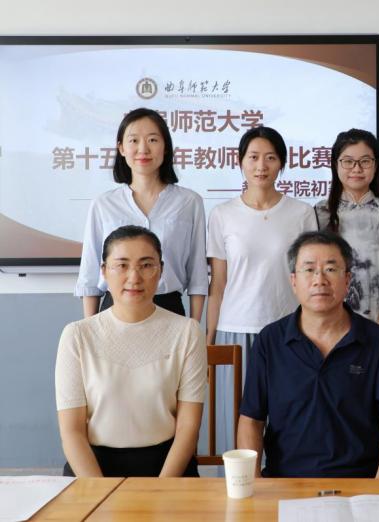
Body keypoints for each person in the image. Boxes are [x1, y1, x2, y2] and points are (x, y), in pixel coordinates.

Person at [236, 231, 379, 477]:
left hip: (360, 483)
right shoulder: (269, 341)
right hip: (285, 482)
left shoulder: (377, 342)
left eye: (330, 269)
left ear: (347, 280)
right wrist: (254, 483)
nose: (319, 280)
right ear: (293, 281)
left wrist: (378, 487)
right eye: (309, 270)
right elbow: (251, 420)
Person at [56, 226, 206, 477]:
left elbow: (188, 428)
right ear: (104, 271)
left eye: (146, 265)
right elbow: (71, 433)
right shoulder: (77, 335)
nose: (134, 277)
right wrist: (100, 492)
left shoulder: (187, 331)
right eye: (122, 265)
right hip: (92, 469)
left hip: (168, 468)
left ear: (161, 270)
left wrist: (160, 491)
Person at [206, 126, 316, 452]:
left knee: (289, 418)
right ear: (240, 161)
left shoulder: (301, 213)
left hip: (288, 331)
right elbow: (218, 284)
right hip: (235, 330)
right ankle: (237, 483)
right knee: (237, 422)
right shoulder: (222, 214)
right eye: (253, 157)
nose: (261, 166)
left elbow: (309, 278)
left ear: (281, 163)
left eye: (270, 158)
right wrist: (209, 341)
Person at [75, 108, 208, 320]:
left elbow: (198, 275)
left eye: (153, 140)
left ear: (165, 147)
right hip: (113, 311)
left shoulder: (189, 202)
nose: (143, 149)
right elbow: (89, 277)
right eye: (134, 140)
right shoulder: (103, 204)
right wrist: (90, 329)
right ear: (121, 148)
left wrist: (194, 327)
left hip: (169, 310)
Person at [314, 128, 379, 354]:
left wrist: (376, 332)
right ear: (335, 164)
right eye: (348, 161)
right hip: (329, 334)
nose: (356, 168)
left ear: (375, 165)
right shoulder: (319, 214)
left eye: (365, 161)